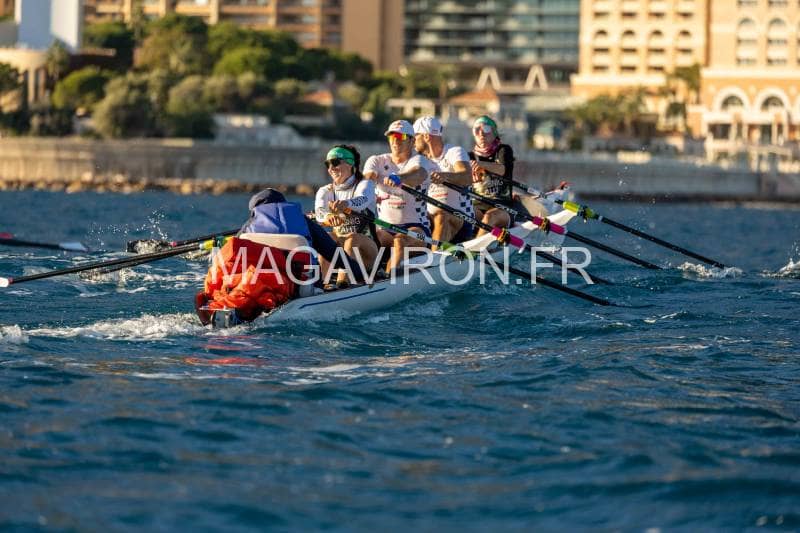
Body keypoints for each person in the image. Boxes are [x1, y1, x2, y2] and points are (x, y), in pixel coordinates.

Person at [363, 119, 433, 272]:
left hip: (417, 229)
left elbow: (419, 174)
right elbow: (366, 180)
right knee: (367, 240)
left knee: (399, 241)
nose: (395, 140)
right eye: (391, 136)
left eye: (400, 137)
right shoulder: (377, 160)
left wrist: (400, 178)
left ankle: (390, 279)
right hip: (385, 229)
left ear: (412, 141)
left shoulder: (419, 160)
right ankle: (354, 278)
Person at [315, 145, 379, 288]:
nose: (331, 168)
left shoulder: (365, 184)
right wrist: (328, 217)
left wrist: (346, 204)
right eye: (328, 164)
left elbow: (362, 201)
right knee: (328, 236)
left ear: (350, 164)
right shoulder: (325, 191)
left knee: (352, 238)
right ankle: (321, 284)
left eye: (335, 162)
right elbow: (319, 213)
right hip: (341, 252)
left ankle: (342, 283)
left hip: (367, 251)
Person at [412, 116, 474, 248]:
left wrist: (446, 176)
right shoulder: (420, 160)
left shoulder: (454, 152)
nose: (412, 141)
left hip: (461, 219)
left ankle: (434, 257)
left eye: (415, 136)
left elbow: (467, 177)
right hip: (430, 220)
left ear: (426, 136)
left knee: (441, 215)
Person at [468, 115, 515, 236]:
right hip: (478, 206)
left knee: (489, 217)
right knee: (462, 212)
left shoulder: (503, 150)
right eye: (477, 130)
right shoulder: (469, 156)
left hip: (502, 207)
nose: (481, 134)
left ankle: (476, 246)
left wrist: (480, 165)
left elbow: (502, 169)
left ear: (494, 133)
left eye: (486, 129)